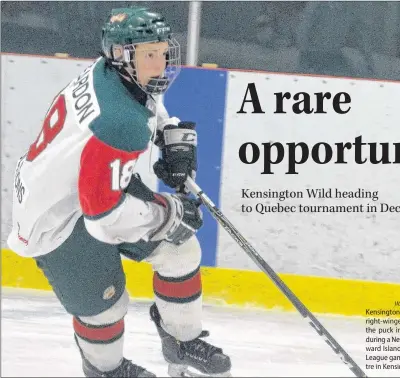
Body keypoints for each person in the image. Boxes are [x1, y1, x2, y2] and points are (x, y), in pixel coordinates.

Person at [7, 6, 232, 378]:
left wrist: (167, 131)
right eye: (148, 55)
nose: (159, 64)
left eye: (161, 51)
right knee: (105, 307)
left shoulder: (111, 73)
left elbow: (144, 101)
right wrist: (167, 212)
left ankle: (182, 340)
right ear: (119, 56)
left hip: (90, 185)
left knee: (179, 250)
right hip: (55, 216)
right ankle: (106, 371)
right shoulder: (118, 122)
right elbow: (103, 217)